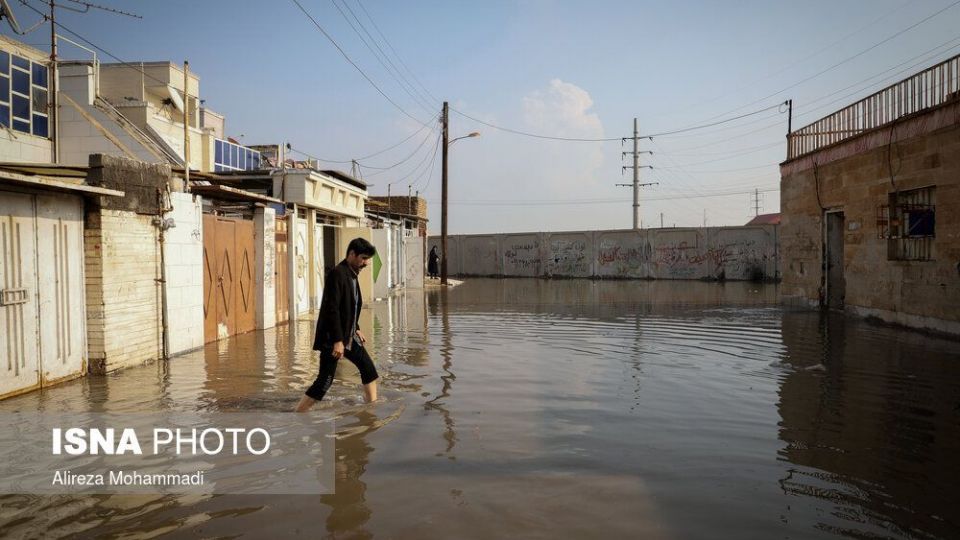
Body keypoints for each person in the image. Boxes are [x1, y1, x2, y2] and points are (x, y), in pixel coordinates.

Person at [295, 238, 379, 412]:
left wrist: (356, 328)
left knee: (368, 369)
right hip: (333, 339)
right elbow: (332, 309)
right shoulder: (338, 274)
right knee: (325, 381)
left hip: (348, 336)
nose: (366, 263)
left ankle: (372, 409)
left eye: (367, 259)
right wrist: (338, 341)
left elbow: (349, 307)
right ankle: (298, 413)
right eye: (363, 258)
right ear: (352, 254)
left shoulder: (352, 274)